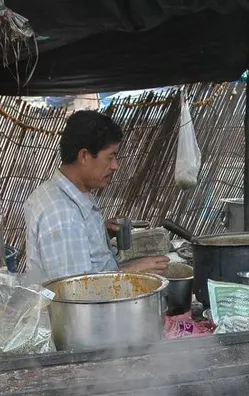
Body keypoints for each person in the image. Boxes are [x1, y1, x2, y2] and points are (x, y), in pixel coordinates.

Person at [24, 110, 169, 283]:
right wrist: (135, 270)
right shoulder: (62, 215)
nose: (115, 166)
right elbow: (77, 292)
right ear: (84, 156)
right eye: (110, 157)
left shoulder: (69, 192)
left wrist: (99, 232)